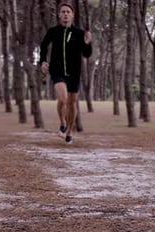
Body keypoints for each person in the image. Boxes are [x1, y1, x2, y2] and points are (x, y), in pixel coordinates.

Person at [39, 2, 92, 144]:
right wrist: (43, 61)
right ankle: (62, 122)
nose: (65, 14)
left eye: (68, 12)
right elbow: (44, 45)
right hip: (57, 70)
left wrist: (87, 43)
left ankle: (69, 131)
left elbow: (87, 54)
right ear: (59, 15)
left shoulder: (79, 33)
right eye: (63, 12)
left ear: (72, 15)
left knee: (72, 102)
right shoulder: (53, 31)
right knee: (63, 99)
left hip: (74, 72)